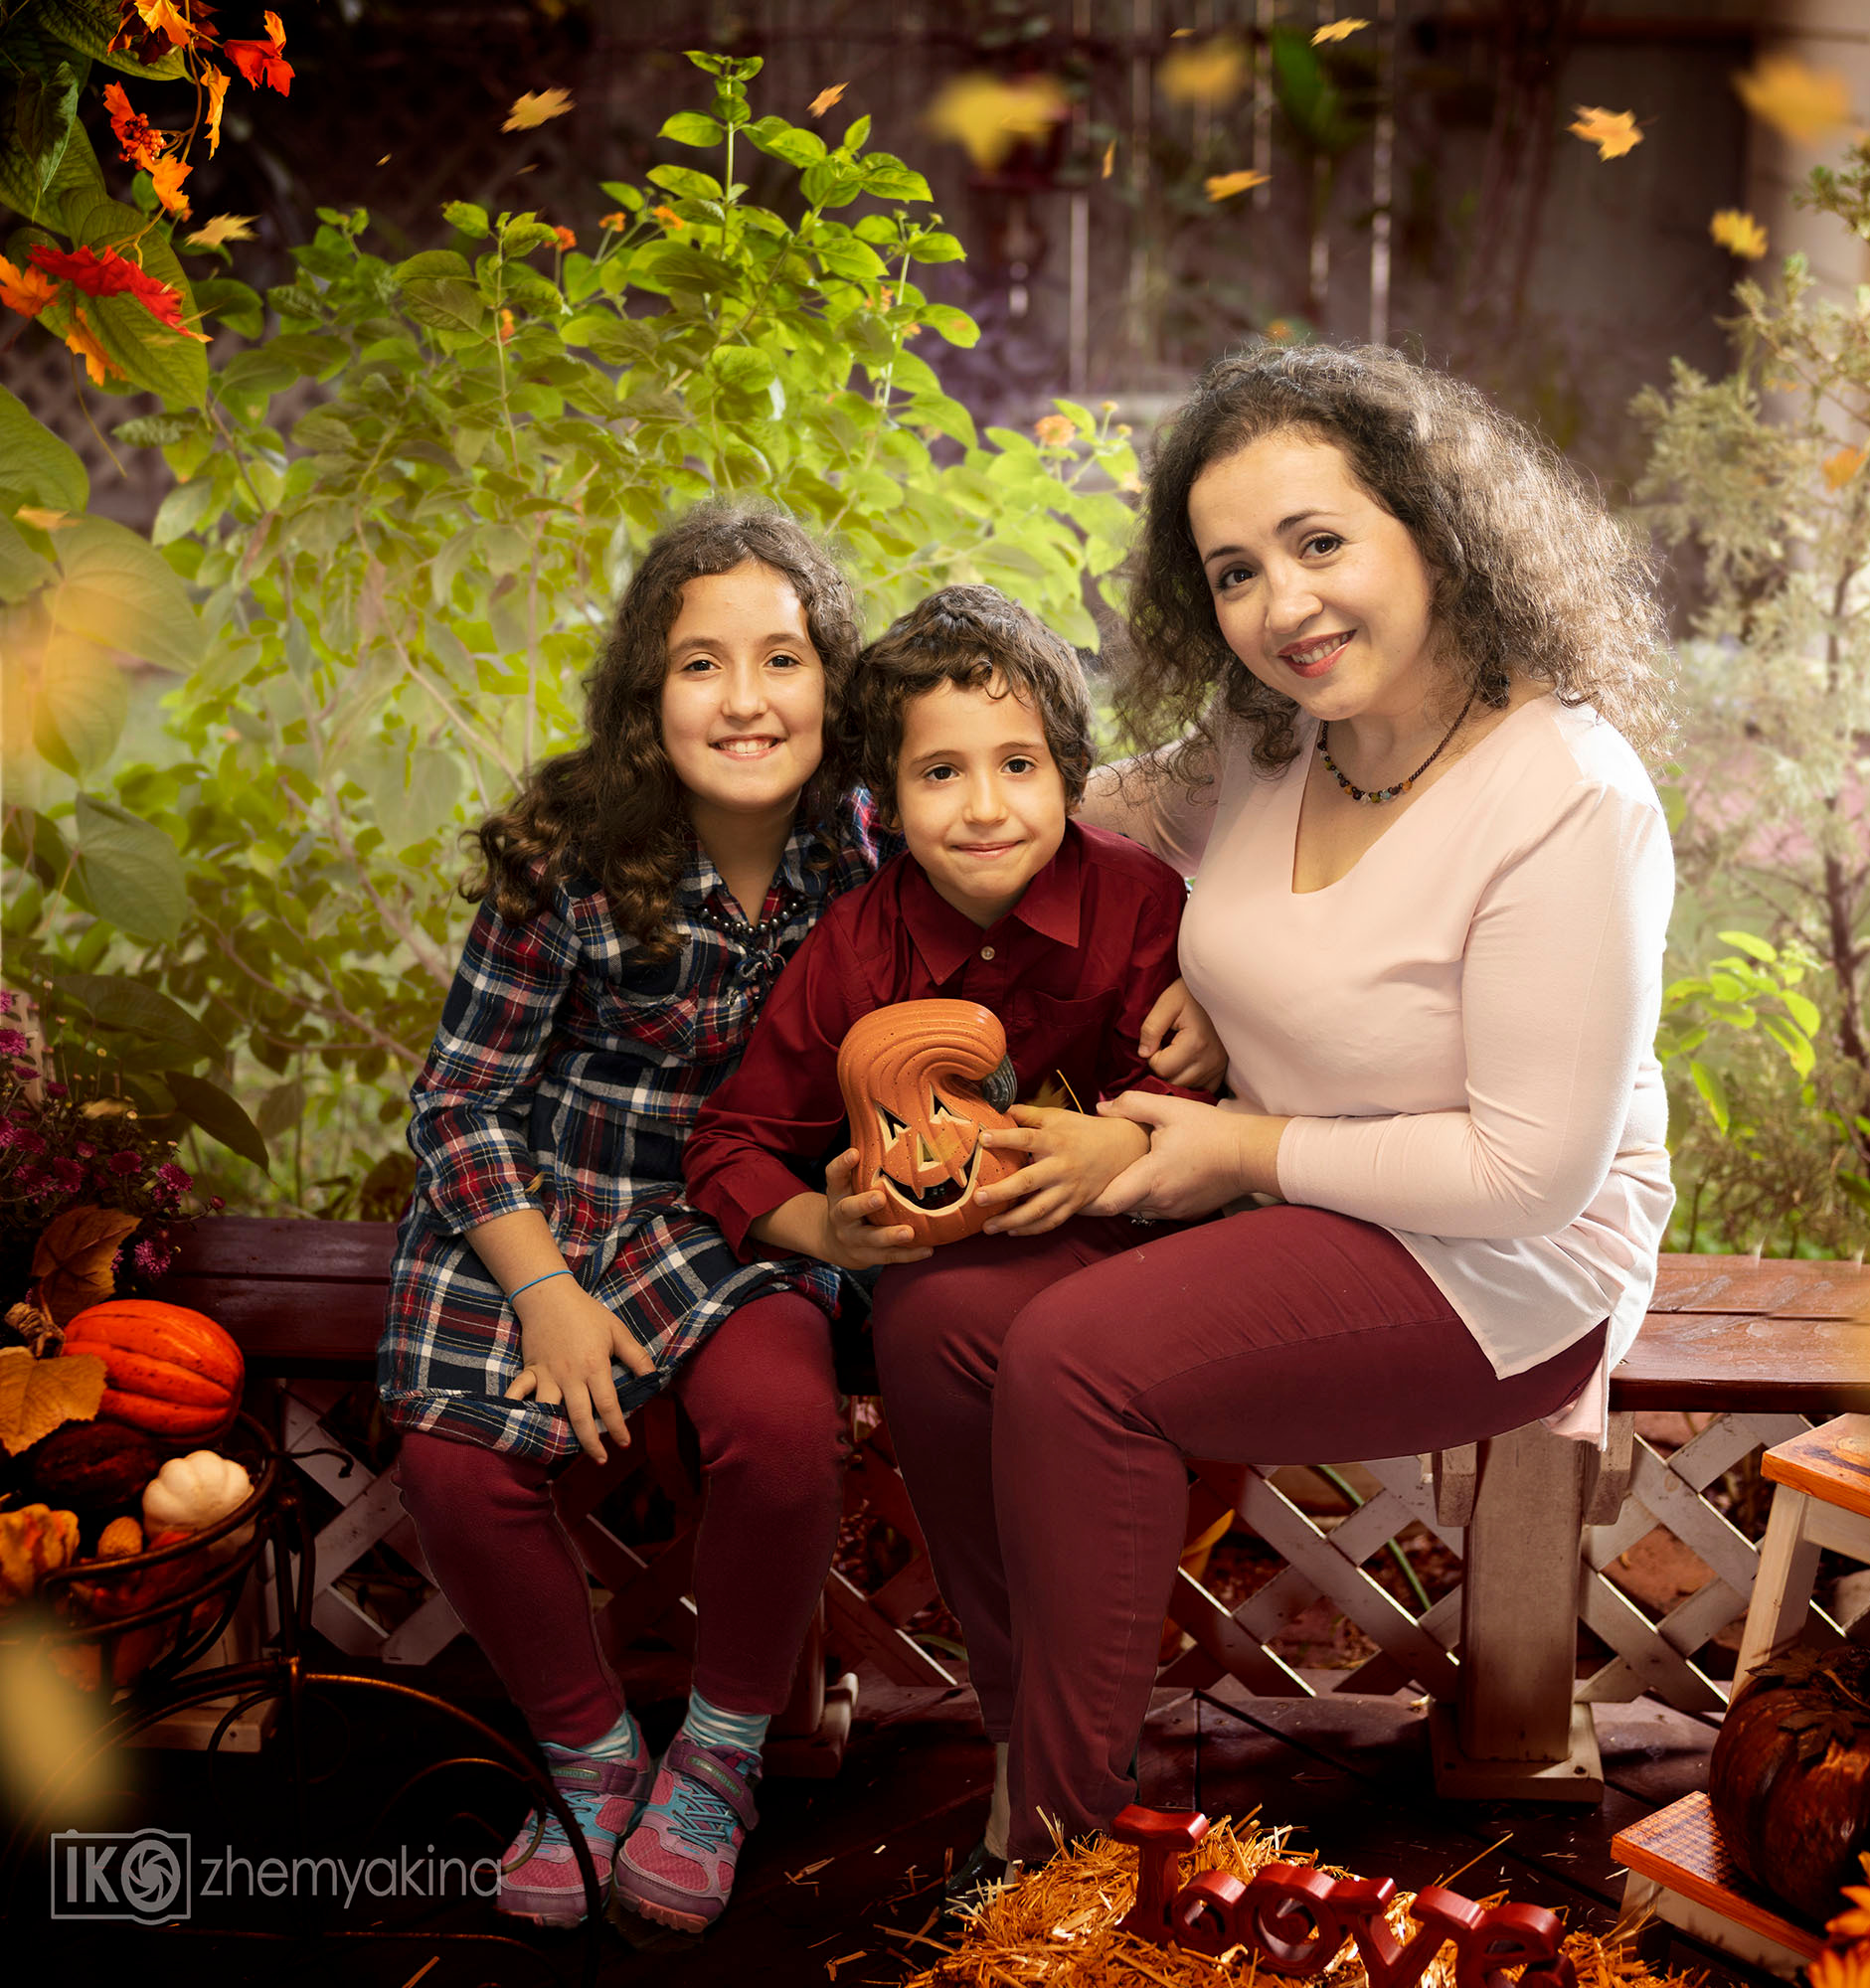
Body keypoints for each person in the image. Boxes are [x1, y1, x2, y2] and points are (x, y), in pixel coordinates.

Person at [866, 341, 1677, 1884]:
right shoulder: (1274, 735)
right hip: (1277, 1199)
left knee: (1079, 1360)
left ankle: (1057, 1859)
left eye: (1319, 543)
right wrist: (1132, 932)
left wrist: (1240, 1143)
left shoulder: (1568, 796)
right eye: (1235, 572)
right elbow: (1078, 818)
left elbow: (1529, 1173)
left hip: (1499, 1266)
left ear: (1433, 526)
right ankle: (1035, 1751)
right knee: (937, 1323)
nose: (1281, 605)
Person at [380, 504, 896, 1934]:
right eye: (699, 664)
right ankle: (593, 1757)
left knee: (782, 1430)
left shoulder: (866, 849)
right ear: (644, 695)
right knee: (452, 1462)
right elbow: (460, 1099)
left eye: (783, 658)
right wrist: (543, 1290)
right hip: (544, 1199)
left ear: (832, 684)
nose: (745, 700)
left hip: (742, 1210)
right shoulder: (571, 850)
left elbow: (1044, 818)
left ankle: (719, 1760)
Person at [685, 583, 1222, 1285]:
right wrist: (823, 1227)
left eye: (1018, 765)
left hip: (1130, 1230)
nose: (985, 809)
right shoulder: (856, 952)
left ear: (1069, 780)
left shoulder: (1139, 902)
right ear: (889, 804)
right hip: (940, 1262)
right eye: (941, 773)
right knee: (930, 1310)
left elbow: (1197, 1087)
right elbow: (730, 1147)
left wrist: (1124, 1141)